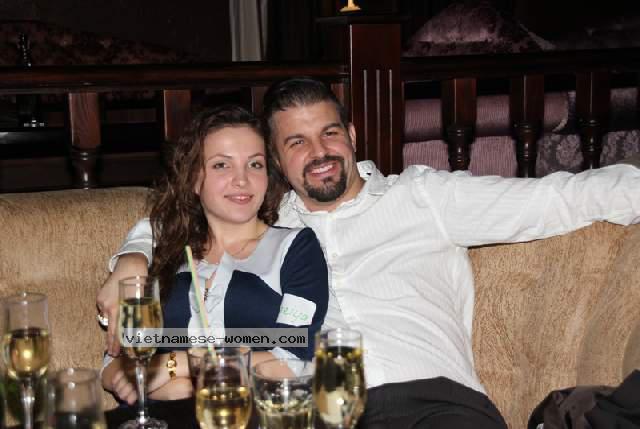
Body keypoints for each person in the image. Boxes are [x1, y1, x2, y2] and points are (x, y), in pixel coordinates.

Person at [98, 78, 640, 427]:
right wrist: (132, 258)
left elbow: (562, 197)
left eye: (329, 133)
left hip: (436, 403)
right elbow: (179, 220)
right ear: (278, 163)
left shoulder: (424, 197)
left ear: (352, 135)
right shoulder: (271, 224)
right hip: (322, 410)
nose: (319, 152)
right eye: (296, 143)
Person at [100, 105, 328, 404]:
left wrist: (178, 368)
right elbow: (114, 362)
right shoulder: (163, 253)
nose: (242, 179)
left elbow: (293, 358)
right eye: (222, 165)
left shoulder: (296, 249)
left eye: (255, 164)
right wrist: (160, 382)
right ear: (194, 178)